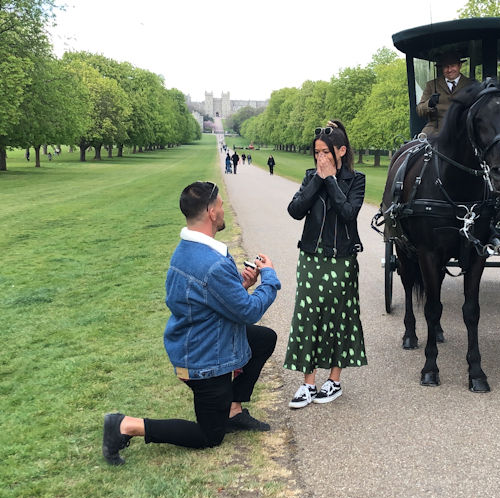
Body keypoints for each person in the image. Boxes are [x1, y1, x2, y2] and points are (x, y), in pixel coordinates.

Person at [102, 181, 281, 465]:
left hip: (201, 340)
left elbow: (210, 299)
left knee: (263, 339)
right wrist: (269, 276)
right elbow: (247, 312)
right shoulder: (209, 262)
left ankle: (233, 411)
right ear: (211, 212)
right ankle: (125, 426)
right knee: (210, 436)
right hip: (203, 359)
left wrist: (241, 285)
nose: (223, 209)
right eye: (220, 204)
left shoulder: (189, 250)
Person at [284, 120, 367, 408]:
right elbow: (295, 210)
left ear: (341, 151)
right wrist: (319, 179)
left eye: (326, 153)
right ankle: (308, 384)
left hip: (341, 258)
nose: (320, 158)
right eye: (317, 152)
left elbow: (348, 213)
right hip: (311, 256)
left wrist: (331, 180)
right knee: (307, 317)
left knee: (339, 317)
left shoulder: (356, 180)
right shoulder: (310, 177)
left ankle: (334, 380)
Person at [416, 52, 476, 137]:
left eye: (452, 66)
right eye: (446, 67)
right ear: (442, 68)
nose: (449, 70)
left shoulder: (471, 84)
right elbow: (419, 110)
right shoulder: (432, 85)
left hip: (464, 129)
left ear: (459, 66)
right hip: (436, 130)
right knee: (420, 145)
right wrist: (429, 104)